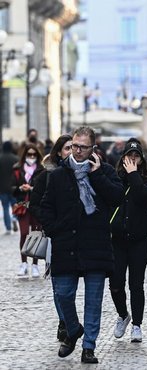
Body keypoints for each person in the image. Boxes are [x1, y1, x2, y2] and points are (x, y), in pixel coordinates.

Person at [39, 127, 125, 364]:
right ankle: (73, 328)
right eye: (74, 146)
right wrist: (54, 229)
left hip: (95, 243)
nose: (77, 151)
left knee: (94, 299)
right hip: (66, 243)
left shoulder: (105, 171)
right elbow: (45, 206)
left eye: (83, 147)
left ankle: (89, 346)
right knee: (63, 293)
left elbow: (117, 198)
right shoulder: (58, 174)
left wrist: (96, 176)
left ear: (92, 149)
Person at [110, 138, 147, 343]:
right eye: (130, 156)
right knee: (116, 283)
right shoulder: (115, 178)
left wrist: (134, 175)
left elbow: (145, 198)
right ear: (124, 157)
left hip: (139, 240)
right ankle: (123, 315)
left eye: (136, 156)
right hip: (118, 240)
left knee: (136, 284)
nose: (133, 159)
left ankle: (137, 324)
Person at [29, 134, 72, 342]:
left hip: (79, 237)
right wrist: (50, 224)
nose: (72, 152)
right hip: (56, 236)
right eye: (67, 148)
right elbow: (35, 204)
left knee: (73, 283)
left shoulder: (85, 173)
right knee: (59, 284)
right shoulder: (46, 175)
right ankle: (64, 322)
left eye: (75, 147)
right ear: (58, 152)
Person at [12, 143, 44, 277]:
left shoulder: (42, 169)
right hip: (22, 205)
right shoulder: (17, 169)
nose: (31, 157)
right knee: (24, 233)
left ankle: (35, 265)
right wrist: (20, 188)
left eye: (34, 154)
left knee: (36, 234)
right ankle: (23, 263)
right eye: (29, 154)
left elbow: (44, 188)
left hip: (36, 205)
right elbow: (11, 187)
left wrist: (32, 189)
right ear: (24, 155)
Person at [0, 141, 19, 234]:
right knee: (15, 205)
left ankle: (8, 228)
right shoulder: (15, 158)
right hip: (13, 187)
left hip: (2, 188)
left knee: (5, 208)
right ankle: (14, 218)